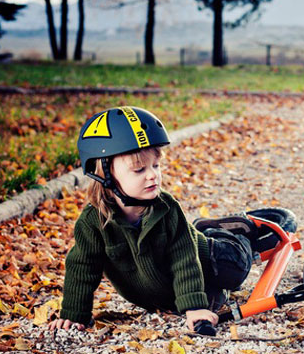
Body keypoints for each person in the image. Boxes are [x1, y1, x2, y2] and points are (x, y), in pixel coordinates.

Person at [47, 106, 262, 335]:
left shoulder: (166, 208)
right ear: (105, 176)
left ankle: (229, 232)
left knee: (237, 270)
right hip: (163, 289)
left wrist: (193, 306)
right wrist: (73, 315)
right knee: (212, 298)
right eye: (139, 169)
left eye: (156, 166)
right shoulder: (94, 222)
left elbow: (184, 259)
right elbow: (82, 266)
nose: (153, 175)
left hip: (211, 256)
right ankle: (204, 230)